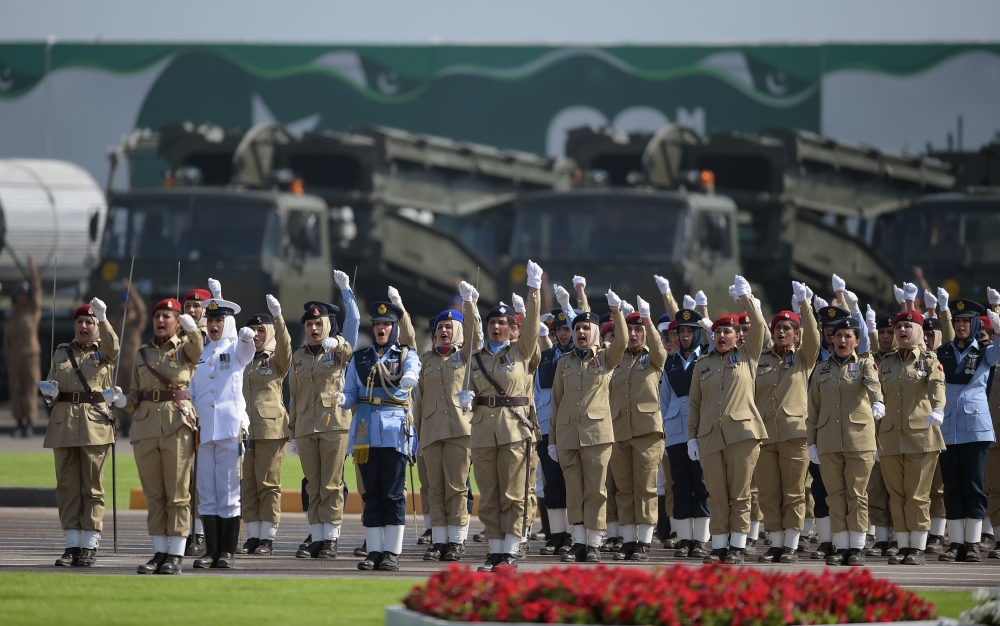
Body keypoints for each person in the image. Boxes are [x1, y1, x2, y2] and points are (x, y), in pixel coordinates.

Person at [465, 262, 542, 572]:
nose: (496, 327)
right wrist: (466, 397)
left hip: (514, 431)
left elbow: (533, 325)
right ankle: (495, 551)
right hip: (483, 432)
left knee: (514, 493)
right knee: (491, 494)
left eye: (502, 323)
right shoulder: (477, 358)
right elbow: (468, 391)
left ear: (513, 328)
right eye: (492, 323)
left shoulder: (521, 351)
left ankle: (510, 550)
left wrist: (534, 289)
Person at [687, 276, 767, 565]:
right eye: (718, 332)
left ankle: (737, 545)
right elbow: (694, 404)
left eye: (728, 332)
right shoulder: (702, 365)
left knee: (740, 494)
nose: (721, 336)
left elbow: (758, 325)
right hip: (709, 437)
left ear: (737, 336)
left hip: (742, 435)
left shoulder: (748, 356)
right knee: (717, 495)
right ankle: (719, 545)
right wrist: (692, 437)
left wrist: (745, 299)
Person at [40, 298, 121, 567]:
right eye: (80, 321)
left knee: (92, 486)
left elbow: (114, 346)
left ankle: (90, 545)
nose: (84, 326)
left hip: (94, 425)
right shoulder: (62, 351)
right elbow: (52, 385)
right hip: (64, 423)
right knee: (67, 487)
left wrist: (103, 316)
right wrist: (49, 393)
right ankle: (72, 544)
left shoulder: (105, 351)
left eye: (89, 321)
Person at [123, 298, 203, 575]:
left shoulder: (185, 349)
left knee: (178, 493)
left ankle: (177, 554)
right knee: (154, 493)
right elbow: (135, 392)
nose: (160, 320)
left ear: (177, 321)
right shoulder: (142, 353)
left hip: (176, 424)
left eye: (167, 316)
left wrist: (192, 330)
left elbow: (198, 349)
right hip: (145, 427)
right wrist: (123, 400)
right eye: (157, 315)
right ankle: (159, 552)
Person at [342, 300, 421, 572]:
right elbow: (352, 391)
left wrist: (410, 375)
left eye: (386, 324)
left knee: (393, 492)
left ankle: (392, 552)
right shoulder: (360, 358)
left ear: (395, 328)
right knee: (371, 493)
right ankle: (374, 550)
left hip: (394, 432)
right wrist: (343, 398)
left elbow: (414, 369)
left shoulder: (404, 355)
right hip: (365, 431)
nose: (381, 329)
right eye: (377, 324)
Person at [550, 289, 627, 564]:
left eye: (586, 328)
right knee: (574, 490)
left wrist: (617, 313)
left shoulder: (606, 358)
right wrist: (552, 440)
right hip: (569, 436)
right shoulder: (564, 362)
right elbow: (556, 402)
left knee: (595, 490)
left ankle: (594, 542)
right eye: (577, 328)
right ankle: (578, 542)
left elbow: (622, 342)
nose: (581, 332)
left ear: (595, 332)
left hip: (596, 434)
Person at [289, 271, 360, 559]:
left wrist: (346, 292)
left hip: (334, 426)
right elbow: (294, 395)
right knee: (312, 484)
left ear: (328, 325)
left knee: (332, 483)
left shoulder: (339, 350)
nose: (314, 328)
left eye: (319, 323)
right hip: (307, 426)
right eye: (309, 324)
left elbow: (352, 328)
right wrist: (293, 430)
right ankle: (316, 535)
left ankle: (330, 538)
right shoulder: (299, 356)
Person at [807, 317, 883, 567]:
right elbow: (813, 409)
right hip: (828, 440)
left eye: (847, 336)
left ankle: (858, 546)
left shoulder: (864, 364)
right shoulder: (821, 369)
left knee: (856, 494)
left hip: (859, 440)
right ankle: (841, 546)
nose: (841, 340)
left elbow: (873, 385)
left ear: (857, 341)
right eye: (838, 335)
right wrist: (812, 443)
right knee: (835, 496)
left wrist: (878, 402)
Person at [753, 282, 819, 564]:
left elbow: (815, 339)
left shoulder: (803, 358)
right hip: (766, 434)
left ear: (796, 334)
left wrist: (805, 306)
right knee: (769, 492)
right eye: (777, 328)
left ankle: (791, 544)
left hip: (795, 433)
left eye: (787, 328)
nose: (781, 332)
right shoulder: (761, 359)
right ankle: (775, 543)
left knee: (794, 492)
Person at [190, 296, 255, 569]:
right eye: (211, 320)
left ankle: (227, 551)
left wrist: (247, 338)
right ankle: (210, 550)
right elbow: (192, 392)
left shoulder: (235, 350)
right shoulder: (198, 353)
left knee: (229, 491)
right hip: (203, 431)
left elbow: (246, 352)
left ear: (227, 322)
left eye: (219, 320)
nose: (214, 325)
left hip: (229, 429)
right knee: (207, 492)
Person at [877, 310, 946, 565]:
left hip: (921, 437)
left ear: (918, 330)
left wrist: (938, 407)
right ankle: (903, 545)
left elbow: (937, 384)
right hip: (889, 438)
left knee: (917, 495)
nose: (902, 331)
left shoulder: (929, 359)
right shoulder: (886, 363)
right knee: (897, 495)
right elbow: (878, 398)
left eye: (908, 326)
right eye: (899, 327)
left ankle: (917, 547)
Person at [935, 299, 1000, 563]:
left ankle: (972, 543)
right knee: (952, 486)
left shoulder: (985, 351)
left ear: (974, 324)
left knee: (973, 485)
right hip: (948, 427)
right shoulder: (944, 352)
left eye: (966, 321)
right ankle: (955, 543)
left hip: (975, 428)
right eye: (957, 321)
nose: (961, 326)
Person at [413, 306, 478, 562]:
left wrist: (469, 306)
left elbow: (476, 336)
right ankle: (439, 541)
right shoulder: (426, 360)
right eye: (440, 327)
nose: (443, 330)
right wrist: (416, 434)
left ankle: (457, 541)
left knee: (457, 487)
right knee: (435, 489)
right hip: (430, 431)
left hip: (459, 430)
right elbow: (419, 399)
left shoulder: (466, 356)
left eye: (449, 327)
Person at [608, 296, 667, 561]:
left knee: (645, 488)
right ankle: (628, 539)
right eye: (630, 330)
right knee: (624, 489)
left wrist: (647, 321)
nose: (633, 334)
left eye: (638, 330)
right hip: (619, 429)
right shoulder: (616, 358)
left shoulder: (653, 357)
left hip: (647, 431)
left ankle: (643, 541)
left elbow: (658, 347)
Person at [240, 295, 292, 555]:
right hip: (245, 430)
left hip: (271, 428)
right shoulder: (242, 358)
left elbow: (285, 344)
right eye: (253, 330)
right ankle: (252, 534)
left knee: (268, 483)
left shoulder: (276, 359)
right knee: (248, 483)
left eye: (262, 330)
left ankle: (267, 536)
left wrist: (279, 318)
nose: (257, 335)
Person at [661, 306, 713, 559]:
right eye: (680, 332)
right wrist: (666, 428)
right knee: (680, 484)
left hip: (701, 428)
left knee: (701, 484)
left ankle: (701, 539)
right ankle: (684, 538)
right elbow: (664, 399)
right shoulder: (670, 361)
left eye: (689, 332)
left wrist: (707, 325)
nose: (684, 337)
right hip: (676, 431)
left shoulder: (707, 358)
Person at [533, 289, 578, 556]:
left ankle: (574, 534)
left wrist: (567, 305)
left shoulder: (578, 356)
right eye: (558, 329)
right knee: (553, 484)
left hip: (572, 428)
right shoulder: (546, 357)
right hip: (548, 429)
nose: (563, 333)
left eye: (566, 328)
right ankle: (556, 535)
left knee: (573, 483)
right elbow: (539, 392)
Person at [6, 255, 42, 438]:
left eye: (25, 295)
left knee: (29, 389)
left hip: (30, 356)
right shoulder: (13, 315)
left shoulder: (32, 311)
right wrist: (8, 356)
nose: (23, 297)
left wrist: (32, 268)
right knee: (16, 389)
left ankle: (29, 422)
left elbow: (37, 290)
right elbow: (7, 339)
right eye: (20, 294)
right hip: (15, 358)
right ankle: (19, 422)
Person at [108, 280, 147, 439]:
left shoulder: (136, 321)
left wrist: (132, 290)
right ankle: (122, 423)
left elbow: (142, 309)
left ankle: (131, 423)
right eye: (123, 302)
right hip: (118, 362)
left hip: (132, 362)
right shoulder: (116, 320)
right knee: (118, 393)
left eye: (128, 302)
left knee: (132, 393)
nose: (125, 305)